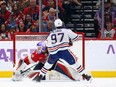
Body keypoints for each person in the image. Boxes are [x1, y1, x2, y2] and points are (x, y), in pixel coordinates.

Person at [12, 41, 82, 81]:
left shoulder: (52, 48)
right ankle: (19, 77)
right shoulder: (36, 54)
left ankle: (77, 76)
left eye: (40, 48)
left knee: (68, 71)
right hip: (43, 65)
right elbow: (25, 61)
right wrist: (19, 69)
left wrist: (72, 56)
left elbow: (64, 49)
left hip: (55, 63)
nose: (39, 50)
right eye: (38, 48)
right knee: (32, 78)